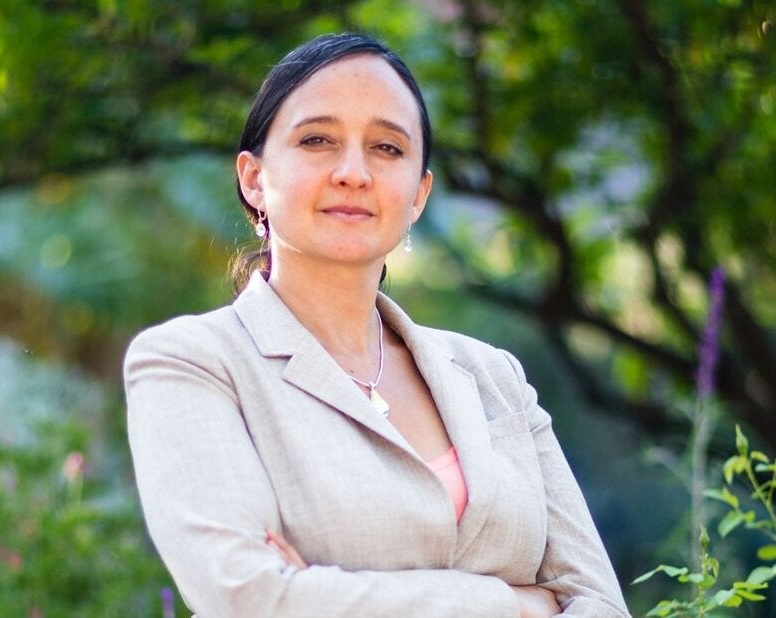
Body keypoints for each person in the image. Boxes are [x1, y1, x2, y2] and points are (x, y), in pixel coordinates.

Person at [124, 32, 631, 618]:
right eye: (317, 139)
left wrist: (321, 591)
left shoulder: (493, 376)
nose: (353, 172)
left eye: (387, 148)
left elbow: (599, 604)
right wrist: (516, 605)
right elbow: (251, 598)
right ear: (254, 178)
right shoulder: (192, 362)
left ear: (419, 193)